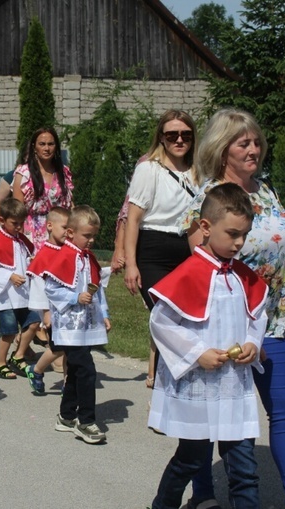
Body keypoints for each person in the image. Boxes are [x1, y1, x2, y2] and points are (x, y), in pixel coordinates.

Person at [181, 108, 285, 509]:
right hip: (224, 329)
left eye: (257, 141)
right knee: (212, 417)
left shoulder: (268, 192)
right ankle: (204, 494)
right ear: (224, 149)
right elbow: (200, 269)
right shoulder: (207, 199)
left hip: (272, 324)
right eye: (244, 143)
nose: (253, 149)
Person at [148, 183, 269, 509]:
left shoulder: (245, 275)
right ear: (205, 227)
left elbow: (258, 316)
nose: (240, 242)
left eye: (244, 234)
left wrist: (252, 344)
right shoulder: (188, 273)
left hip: (233, 389)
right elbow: (161, 323)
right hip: (198, 388)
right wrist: (197, 352)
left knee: (244, 469)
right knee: (190, 460)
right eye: (232, 234)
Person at [123, 110, 197, 388]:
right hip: (153, 249)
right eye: (172, 135)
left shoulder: (198, 170)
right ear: (162, 138)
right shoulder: (148, 169)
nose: (179, 140)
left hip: (188, 249)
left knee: (186, 321)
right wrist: (131, 263)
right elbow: (133, 219)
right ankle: (166, 384)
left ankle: (173, 384)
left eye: (185, 135)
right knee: (166, 317)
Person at [43, 205, 110, 444]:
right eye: (87, 236)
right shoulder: (63, 256)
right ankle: (86, 421)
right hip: (69, 325)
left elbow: (97, 288)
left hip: (86, 324)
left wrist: (104, 313)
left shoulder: (88, 257)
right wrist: (74, 297)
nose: (91, 240)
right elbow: (51, 289)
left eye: (94, 236)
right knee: (87, 370)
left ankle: (66, 415)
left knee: (76, 369)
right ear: (70, 233)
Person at [0, 197, 40, 379]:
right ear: (3, 220)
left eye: (22, 223)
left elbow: (25, 258)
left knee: (34, 322)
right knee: (9, 331)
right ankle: (0, 363)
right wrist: (10, 276)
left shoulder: (21, 240)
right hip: (4, 296)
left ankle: (18, 355)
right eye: (15, 223)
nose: (19, 227)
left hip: (22, 294)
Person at [24, 206, 71, 392]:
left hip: (68, 308)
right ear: (50, 226)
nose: (68, 233)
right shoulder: (44, 255)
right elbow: (39, 287)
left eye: (70, 229)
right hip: (52, 311)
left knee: (70, 349)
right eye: (64, 228)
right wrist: (45, 312)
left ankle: (69, 386)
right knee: (58, 348)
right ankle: (36, 369)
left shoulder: (67, 251)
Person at [12, 127, 74, 253]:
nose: (47, 148)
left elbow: (70, 205)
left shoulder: (64, 172)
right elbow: (17, 209)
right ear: (34, 147)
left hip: (60, 233)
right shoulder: (24, 173)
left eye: (51, 144)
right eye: (42, 144)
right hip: (31, 233)